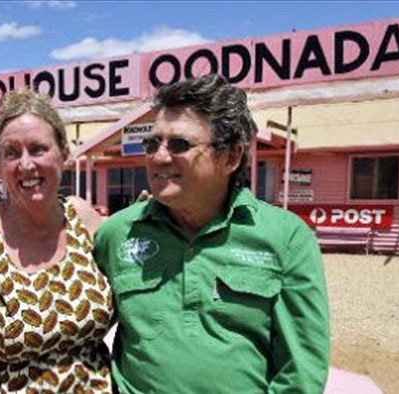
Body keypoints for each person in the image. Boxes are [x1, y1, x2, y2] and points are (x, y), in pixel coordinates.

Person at [94, 74, 330, 393]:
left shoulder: (286, 238)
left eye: (180, 145)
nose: (159, 157)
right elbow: (79, 333)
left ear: (230, 156)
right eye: (152, 143)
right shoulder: (117, 233)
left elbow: (300, 371)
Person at [0, 88, 114, 393]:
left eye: (38, 149)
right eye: (11, 153)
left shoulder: (81, 217)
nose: (26, 164)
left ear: (64, 152)